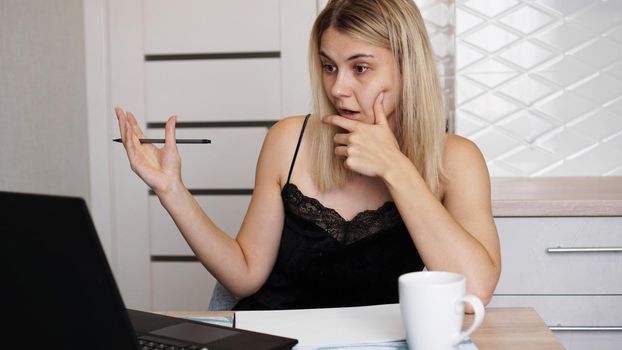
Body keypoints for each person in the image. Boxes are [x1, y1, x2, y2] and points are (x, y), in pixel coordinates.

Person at [115, 0, 501, 311]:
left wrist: (395, 168)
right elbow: (245, 274)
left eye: (360, 68)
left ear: (407, 67)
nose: (338, 88)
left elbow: (475, 292)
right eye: (329, 67)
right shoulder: (288, 140)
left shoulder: (457, 159)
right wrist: (172, 192)